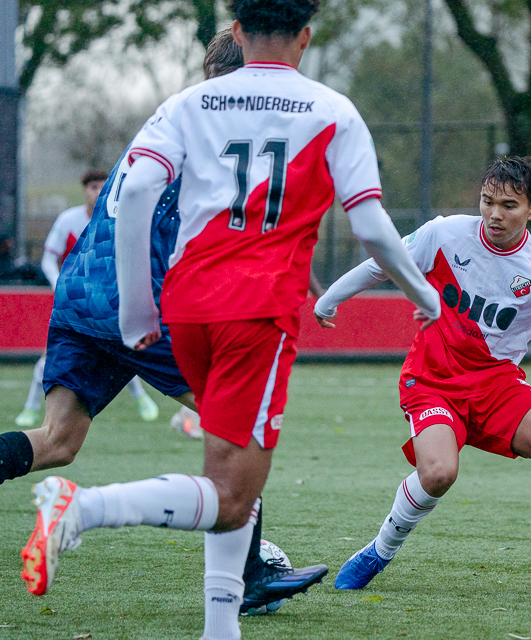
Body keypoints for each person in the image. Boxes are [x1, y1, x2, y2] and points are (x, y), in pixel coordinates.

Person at [22, 3, 441, 639]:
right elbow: (372, 227)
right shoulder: (331, 110)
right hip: (254, 311)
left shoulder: (189, 106)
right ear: (305, 36)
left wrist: (139, 308)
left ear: (239, 32)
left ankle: (223, 626)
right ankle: (77, 510)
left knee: (221, 467)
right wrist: (426, 296)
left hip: (184, 304)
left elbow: (134, 193)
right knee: (233, 493)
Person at [8, 27, 330, 619]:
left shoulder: (169, 117)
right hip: (136, 304)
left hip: (80, 294)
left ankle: (250, 565)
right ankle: (251, 576)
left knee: (57, 440)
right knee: (238, 426)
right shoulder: (216, 136)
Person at [315, 156, 531, 597]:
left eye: (509, 205)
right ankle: (378, 552)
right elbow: (383, 260)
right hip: (432, 380)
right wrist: (330, 299)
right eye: (488, 201)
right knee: (438, 474)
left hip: (496, 385)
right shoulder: (445, 234)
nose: (494, 214)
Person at [14, 171, 159, 428]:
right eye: (93, 187)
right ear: (84, 190)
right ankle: (31, 409)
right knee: (52, 356)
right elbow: (48, 258)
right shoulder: (68, 219)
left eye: (103, 187)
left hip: (109, 301)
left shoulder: (119, 218)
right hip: (73, 302)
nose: (98, 191)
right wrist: (61, 285)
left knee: (123, 347)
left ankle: (141, 397)